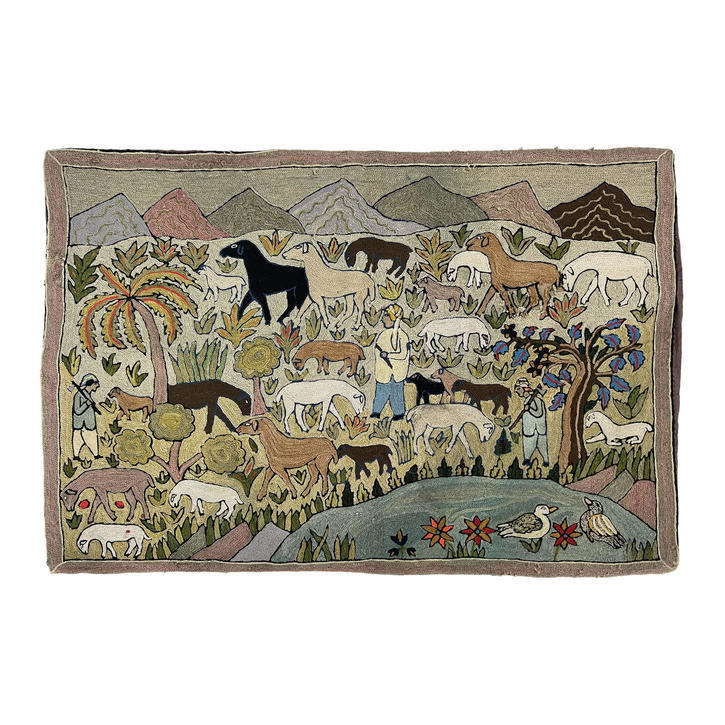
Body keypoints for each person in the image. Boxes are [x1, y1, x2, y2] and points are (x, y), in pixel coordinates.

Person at [372, 304, 410, 421]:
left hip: (396, 372)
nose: (382, 319)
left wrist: (388, 355)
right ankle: (376, 412)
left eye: (385, 316)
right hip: (384, 372)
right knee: (381, 392)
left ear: (392, 318)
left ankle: (399, 414)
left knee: (396, 393)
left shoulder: (402, 336)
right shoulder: (383, 335)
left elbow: (403, 354)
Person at [514, 377, 549, 466]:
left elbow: (539, 413)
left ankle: (545, 460)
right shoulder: (527, 400)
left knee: (541, 446)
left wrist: (529, 409)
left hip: (537, 430)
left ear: (525, 389)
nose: (517, 391)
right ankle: (527, 459)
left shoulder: (537, 400)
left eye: (518, 389)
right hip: (529, 430)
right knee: (527, 446)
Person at [72, 373, 100, 460]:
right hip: (81, 424)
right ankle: (76, 456)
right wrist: (86, 404)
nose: (97, 386)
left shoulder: (87, 395)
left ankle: (96, 455)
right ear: (90, 384)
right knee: (78, 440)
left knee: (92, 439)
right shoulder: (78, 395)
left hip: (88, 424)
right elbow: (77, 410)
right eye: (95, 384)